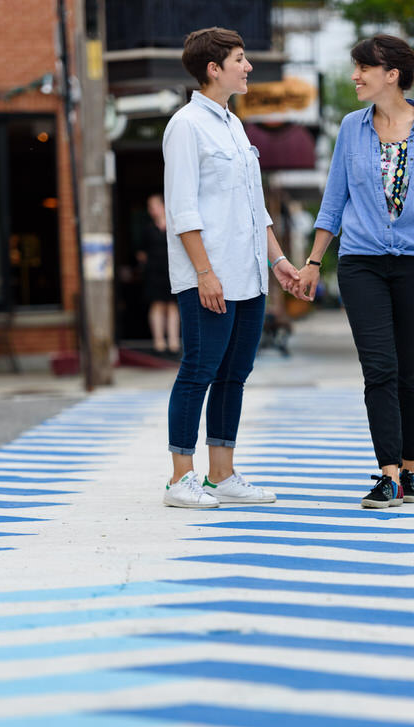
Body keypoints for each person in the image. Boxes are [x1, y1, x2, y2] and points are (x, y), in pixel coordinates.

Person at [294, 35, 414, 509]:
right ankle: (387, 475)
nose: (355, 76)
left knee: (413, 372)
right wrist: (312, 261)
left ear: (392, 75)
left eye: (363, 68)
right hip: (361, 261)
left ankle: (409, 467)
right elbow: (334, 200)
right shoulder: (351, 128)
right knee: (379, 368)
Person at [162, 27, 301, 509]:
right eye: (240, 59)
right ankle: (182, 477)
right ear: (213, 69)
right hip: (210, 277)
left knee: (234, 374)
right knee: (199, 369)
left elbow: (254, 206)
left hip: (250, 275)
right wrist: (203, 272)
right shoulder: (186, 125)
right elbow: (182, 209)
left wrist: (279, 260)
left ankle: (222, 474)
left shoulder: (235, 125)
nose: (249, 67)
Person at [136, 194, 180, 355]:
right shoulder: (147, 229)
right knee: (157, 306)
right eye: (150, 207)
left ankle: (174, 342)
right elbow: (141, 253)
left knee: (172, 306)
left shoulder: (174, 226)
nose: (152, 210)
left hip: (172, 271)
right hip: (154, 273)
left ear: (163, 206)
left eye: (155, 206)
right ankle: (159, 342)